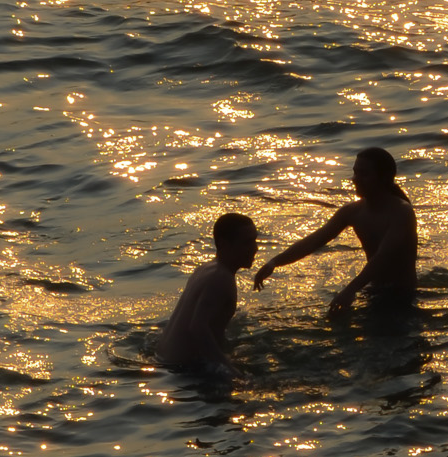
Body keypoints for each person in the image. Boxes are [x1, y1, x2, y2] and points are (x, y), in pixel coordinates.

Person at [254, 146, 420, 317]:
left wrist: (350, 290)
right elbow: (314, 241)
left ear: (384, 178)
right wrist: (275, 262)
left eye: (364, 174)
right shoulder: (352, 212)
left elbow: (382, 257)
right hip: (373, 289)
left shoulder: (401, 211)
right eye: (355, 172)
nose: (355, 179)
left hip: (403, 295)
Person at [158, 212, 258, 373]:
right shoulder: (221, 278)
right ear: (224, 244)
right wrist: (230, 369)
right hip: (182, 371)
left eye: (255, 240)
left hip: (164, 360)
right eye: (247, 242)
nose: (255, 248)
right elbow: (197, 327)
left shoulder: (206, 269)